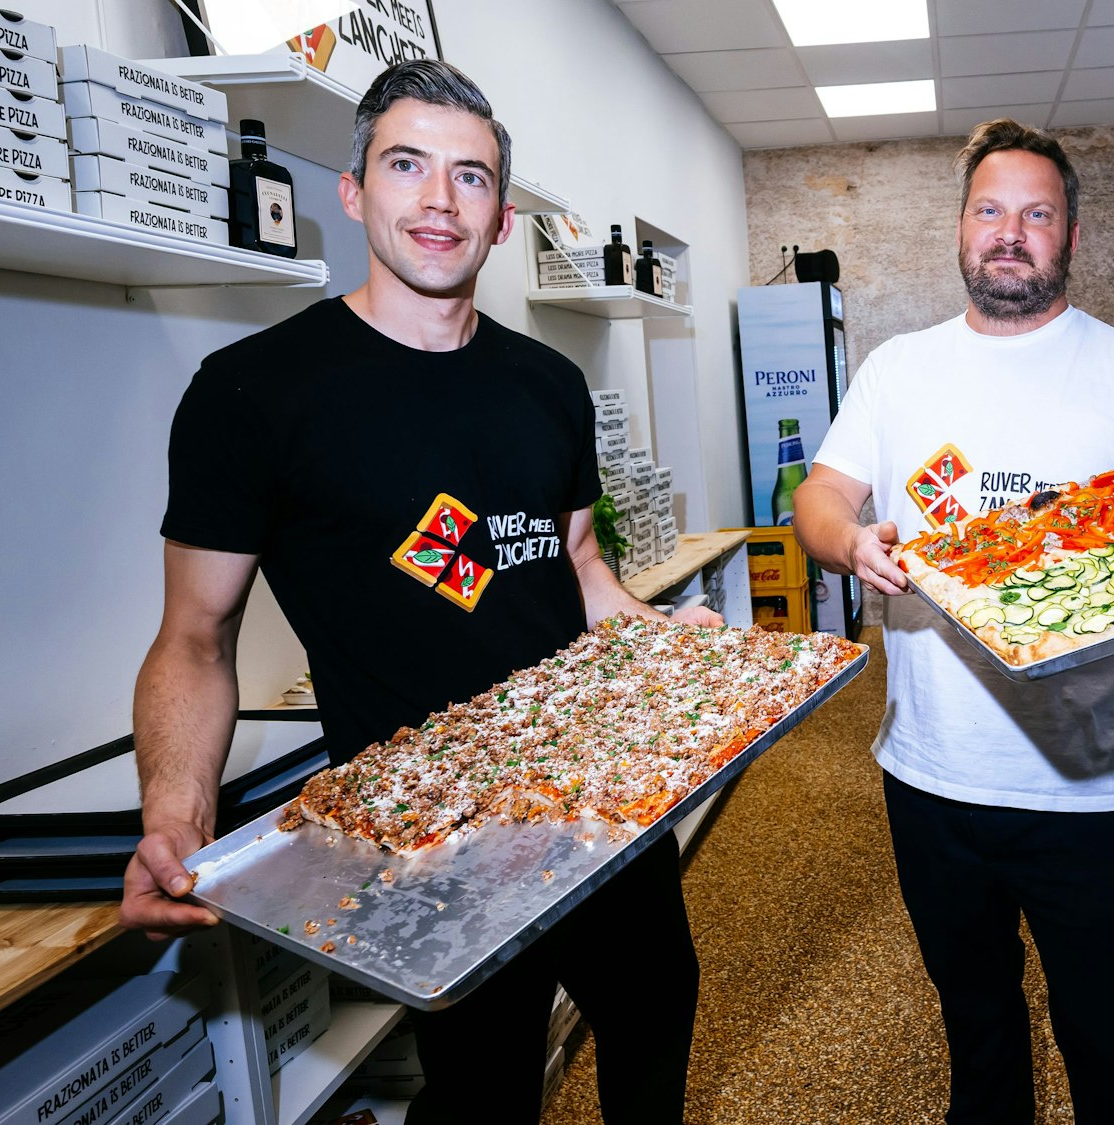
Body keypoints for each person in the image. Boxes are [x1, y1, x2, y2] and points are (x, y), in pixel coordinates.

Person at [117, 60, 716, 1125]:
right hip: (432, 840)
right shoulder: (251, 393)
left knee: (656, 1010)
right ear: (352, 192)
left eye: (470, 177)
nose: (440, 200)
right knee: (485, 1085)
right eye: (406, 166)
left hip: (596, 798)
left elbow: (580, 568)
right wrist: (174, 815)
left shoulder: (548, 385)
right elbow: (196, 638)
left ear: (500, 221)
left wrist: (672, 646)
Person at [793, 119, 1114, 1124]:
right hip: (931, 776)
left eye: (1036, 214)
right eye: (989, 210)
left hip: (1084, 786)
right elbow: (821, 494)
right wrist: (849, 542)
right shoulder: (898, 369)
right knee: (976, 1033)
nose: (1009, 232)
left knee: (1110, 1043)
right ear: (961, 226)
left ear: (1070, 235)